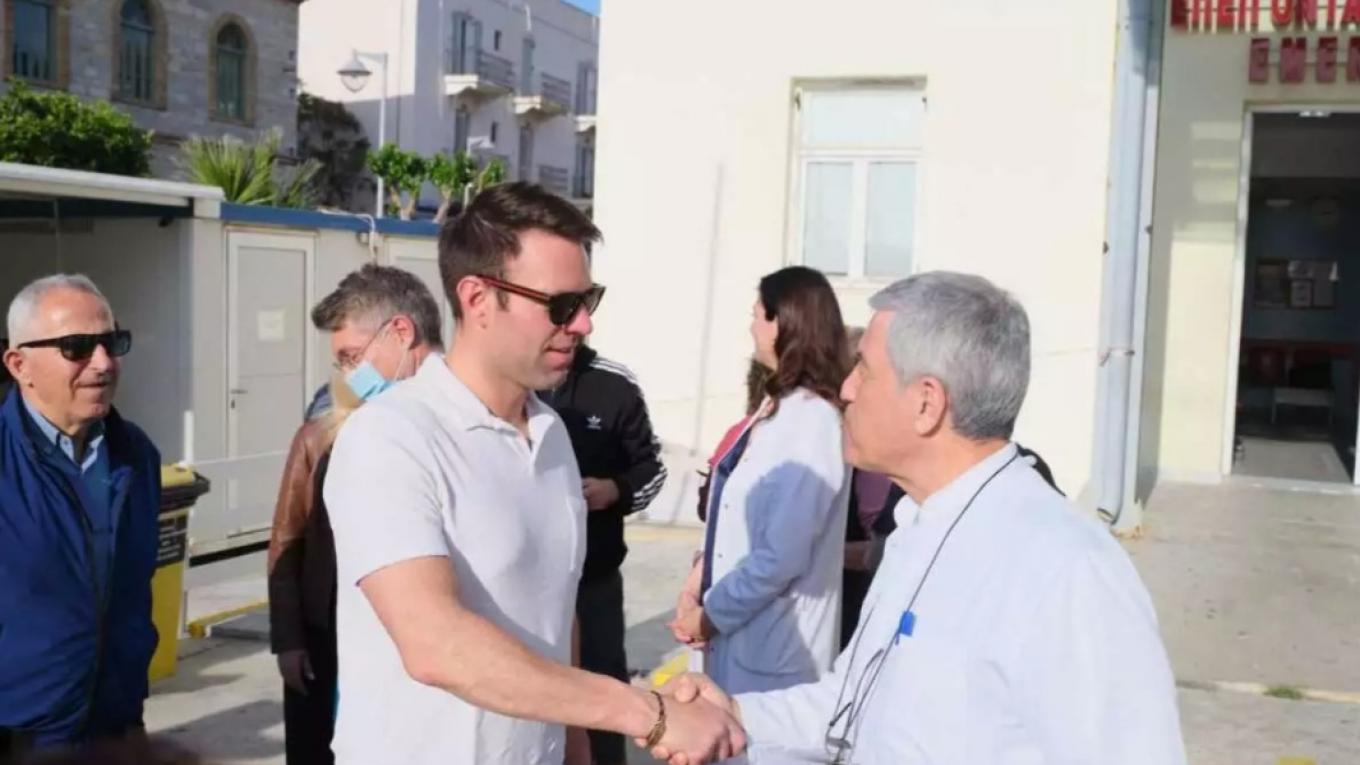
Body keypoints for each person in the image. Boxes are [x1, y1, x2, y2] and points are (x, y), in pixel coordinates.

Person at [657, 271, 1186, 765]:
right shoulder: (918, 526)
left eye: (864, 370)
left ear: (927, 403)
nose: (847, 389)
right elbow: (851, 706)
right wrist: (735, 712)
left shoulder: (1066, 566)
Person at [322, 182, 745, 765]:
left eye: (588, 300)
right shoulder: (391, 437)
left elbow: (556, 610)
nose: (583, 324)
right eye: (561, 304)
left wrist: (575, 744)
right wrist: (647, 713)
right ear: (477, 299)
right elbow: (435, 643)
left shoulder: (550, 434)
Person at [266, 264, 444, 765]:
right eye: (341, 361)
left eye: (352, 357)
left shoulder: (462, 430)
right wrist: (289, 639)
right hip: (328, 641)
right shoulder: (321, 437)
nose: (348, 374)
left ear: (401, 333)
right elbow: (288, 541)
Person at [0, 275, 161, 758]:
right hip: (21, 735)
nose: (103, 363)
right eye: (77, 347)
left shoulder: (136, 454)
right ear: (19, 365)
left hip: (117, 725)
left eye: (112, 343)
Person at [671, 266, 852, 696]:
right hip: (738, 642)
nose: (751, 328)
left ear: (784, 323)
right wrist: (698, 581)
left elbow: (781, 556)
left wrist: (710, 617)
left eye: (757, 316)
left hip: (775, 661)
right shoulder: (776, 409)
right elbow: (734, 521)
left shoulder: (813, 422)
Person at [541, 344, 667, 765]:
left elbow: (651, 469)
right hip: (525, 588)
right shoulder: (511, 379)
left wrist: (616, 490)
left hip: (593, 587)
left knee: (602, 701)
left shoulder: (614, 385)